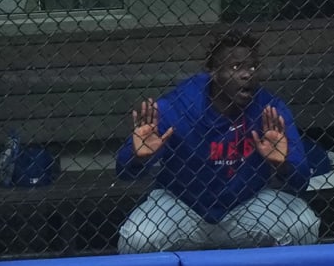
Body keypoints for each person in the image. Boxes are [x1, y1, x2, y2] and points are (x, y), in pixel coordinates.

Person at [116, 29, 319, 253]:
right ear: (213, 72)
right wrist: (138, 157)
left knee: (303, 225)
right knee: (136, 239)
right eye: (236, 67)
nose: (247, 74)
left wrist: (283, 165)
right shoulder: (177, 107)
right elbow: (124, 171)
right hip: (182, 205)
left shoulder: (269, 109)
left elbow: (301, 179)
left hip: (246, 204)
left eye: (252, 67)